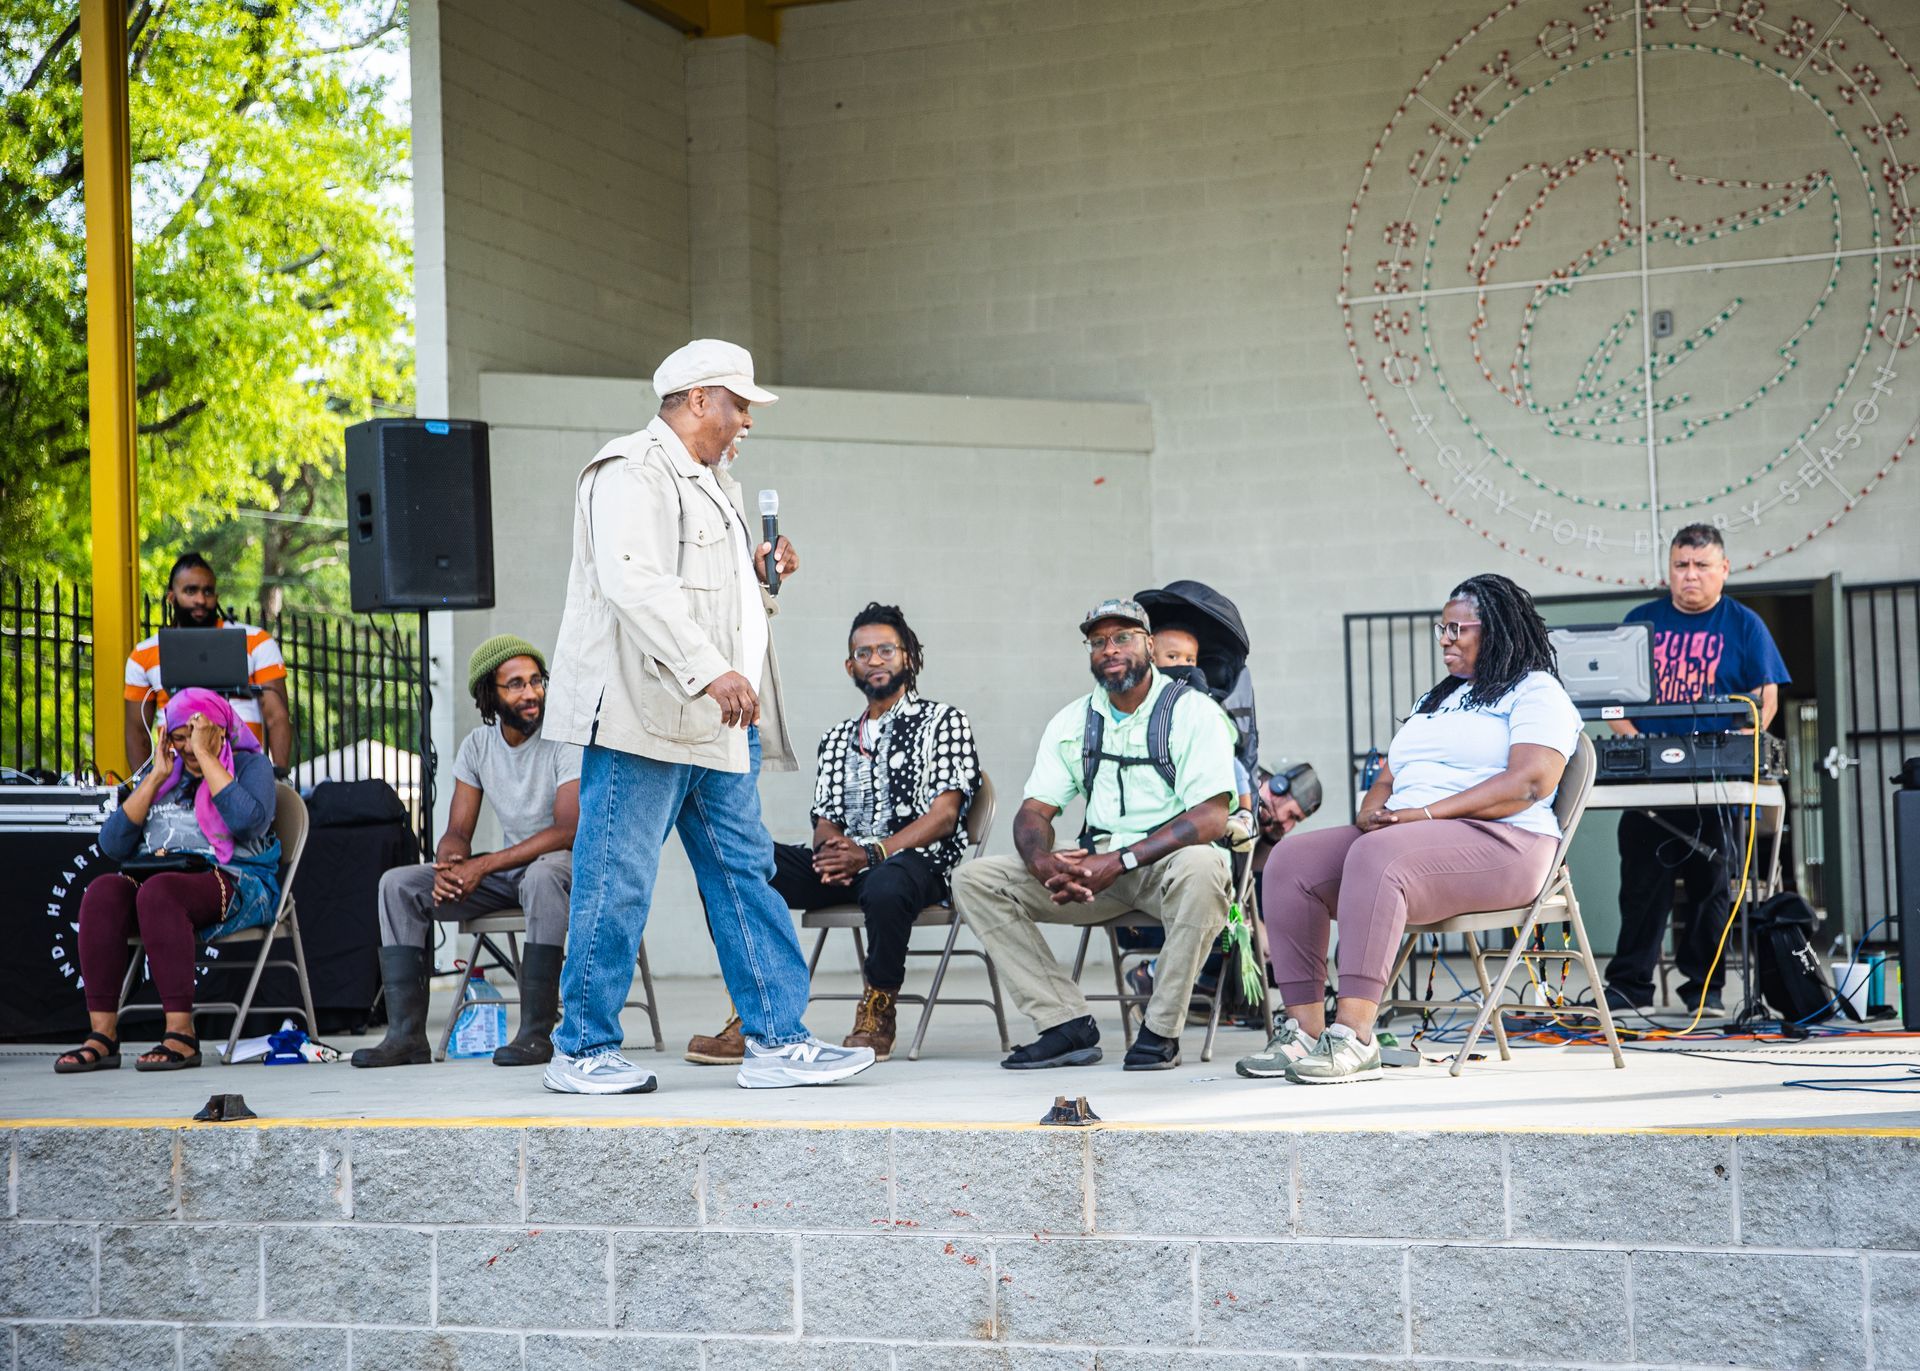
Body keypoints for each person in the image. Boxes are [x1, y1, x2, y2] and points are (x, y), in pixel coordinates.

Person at [540, 338, 875, 1094]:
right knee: (616, 880)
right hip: (645, 717)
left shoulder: (716, 484)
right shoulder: (631, 470)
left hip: (718, 727)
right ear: (698, 399)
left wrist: (760, 580)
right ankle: (581, 1049)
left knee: (745, 877)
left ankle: (777, 1040)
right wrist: (711, 670)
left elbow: (712, 606)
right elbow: (634, 584)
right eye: (739, 403)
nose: (747, 420)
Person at [1238, 573, 1580, 1085]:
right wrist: (1371, 812)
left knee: (1379, 856)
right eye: (1442, 629)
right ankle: (1304, 1031)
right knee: (1291, 862)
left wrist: (1424, 815)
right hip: (1412, 836)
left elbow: (1530, 783)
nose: (1445, 639)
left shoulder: (1536, 692)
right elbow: (1388, 775)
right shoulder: (1437, 700)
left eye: (1457, 629)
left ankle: (1354, 1037)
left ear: (1497, 630)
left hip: (1509, 842)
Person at [951, 597, 1237, 1071]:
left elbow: (1210, 817)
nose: (1110, 649)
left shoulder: (1193, 713)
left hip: (1167, 867)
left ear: (1149, 645)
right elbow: (1034, 812)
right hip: (1097, 866)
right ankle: (1065, 1024)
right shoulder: (1073, 720)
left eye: (1123, 637)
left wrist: (1122, 860)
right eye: (1098, 641)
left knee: (1205, 865)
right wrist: (1041, 862)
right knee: (974, 880)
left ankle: (1160, 1030)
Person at [688, 604, 981, 1064]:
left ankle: (878, 1010)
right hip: (849, 866)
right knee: (732, 865)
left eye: (886, 650)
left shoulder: (944, 721)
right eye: (864, 653)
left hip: (915, 864)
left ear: (908, 656)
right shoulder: (839, 736)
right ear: (850, 666)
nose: (875, 660)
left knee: (887, 883)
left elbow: (945, 816)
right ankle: (756, 1012)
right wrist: (829, 851)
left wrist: (871, 853)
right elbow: (825, 817)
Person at [353, 635, 580, 1069]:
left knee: (543, 874)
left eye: (536, 681)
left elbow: (566, 830)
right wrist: (450, 863)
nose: (531, 693)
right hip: (510, 872)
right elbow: (458, 829)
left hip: (563, 870)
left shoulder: (563, 739)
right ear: (489, 694)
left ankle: (537, 1033)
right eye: (515, 684)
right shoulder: (478, 745)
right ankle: (406, 1037)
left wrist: (483, 865)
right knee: (398, 885)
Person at [1603, 524, 1791, 1016]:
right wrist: (1639, 743)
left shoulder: (1745, 624)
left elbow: (1766, 699)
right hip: (1649, 782)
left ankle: (1703, 991)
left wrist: (1734, 744)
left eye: (1701, 565)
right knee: (1641, 887)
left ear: (1723, 569)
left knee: (1712, 889)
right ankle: (1630, 988)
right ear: (1669, 570)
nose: (1690, 575)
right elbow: (1614, 701)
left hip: (1716, 782)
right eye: (1680, 565)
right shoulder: (1640, 621)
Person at [55, 689, 283, 1074]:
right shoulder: (164, 771)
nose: (189, 748)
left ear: (222, 730)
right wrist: (157, 776)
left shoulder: (250, 765)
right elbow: (112, 844)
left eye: (199, 735)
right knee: (102, 892)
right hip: (157, 874)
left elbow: (249, 824)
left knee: (159, 893)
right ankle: (103, 1035)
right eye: (180, 737)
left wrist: (209, 758)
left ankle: (181, 1034)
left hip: (232, 878)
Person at [123, 552, 292, 770]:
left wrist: (279, 776)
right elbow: (137, 731)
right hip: (176, 774)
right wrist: (145, 784)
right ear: (171, 597)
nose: (201, 600)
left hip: (242, 770)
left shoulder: (256, 641)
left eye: (208, 591)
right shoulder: (143, 655)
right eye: (190, 591)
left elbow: (277, 717)